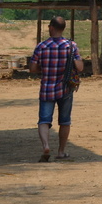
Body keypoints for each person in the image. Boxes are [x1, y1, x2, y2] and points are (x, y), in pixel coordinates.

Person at [28, 16, 83, 162]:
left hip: (47, 88)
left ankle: (46, 145)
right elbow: (80, 67)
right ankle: (61, 151)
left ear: (51, 27)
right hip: (65, 88)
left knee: (44, 120)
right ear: (63, 28)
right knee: (65, 121)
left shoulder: (41, 46)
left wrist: (44, 67)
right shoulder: (71, 46)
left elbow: (32, 69)